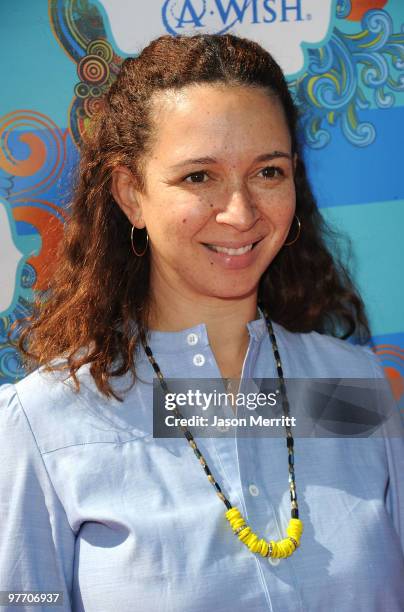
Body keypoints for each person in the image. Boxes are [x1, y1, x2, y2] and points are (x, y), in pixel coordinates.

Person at [0, 34, 403, 612]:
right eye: (198, 177)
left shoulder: (351, 387)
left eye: (268, 171)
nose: (240, 213)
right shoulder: (48, 423)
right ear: (130, 194)